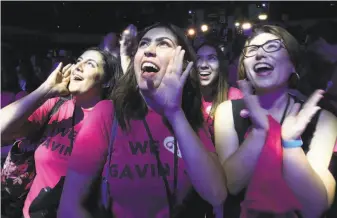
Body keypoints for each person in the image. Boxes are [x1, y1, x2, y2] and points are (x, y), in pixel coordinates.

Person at [58, 22, 227, 218]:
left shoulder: (190, 116)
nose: (149, 50)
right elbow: (69, 207)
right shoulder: (108, 113)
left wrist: (175, 113)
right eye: (144, 44)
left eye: (163, 43)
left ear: (182, 61)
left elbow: (216, 195)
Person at [214, 25, 337, 217]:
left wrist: (291, 143)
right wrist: (260, 132)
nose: (260, 54)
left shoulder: (323, 120)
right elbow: (231, 185)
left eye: (272, 46)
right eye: (252, 50)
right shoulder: (227, 111)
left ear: (293, 65)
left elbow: (314, 206)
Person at [1, 47, 123, 218]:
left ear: (106, 81)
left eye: (90, 64)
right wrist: (47, 89)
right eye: (78, 61)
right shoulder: (55, 106)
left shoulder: (114, 120)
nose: (78, 67)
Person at [196, 42, 243, 141]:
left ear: (221, 65)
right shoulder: (187, 98)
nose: (203, 64)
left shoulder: (235, 96)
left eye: (211, 58)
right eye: (198, 59)